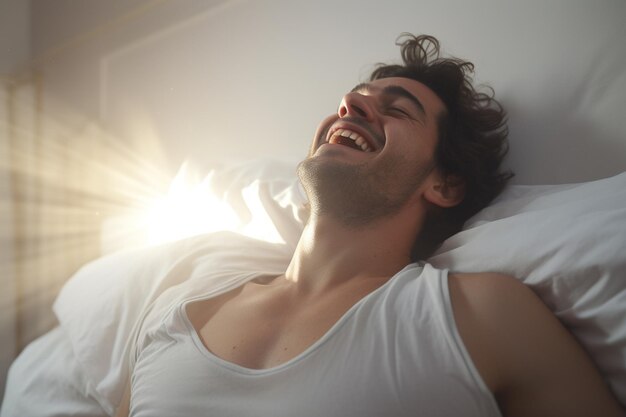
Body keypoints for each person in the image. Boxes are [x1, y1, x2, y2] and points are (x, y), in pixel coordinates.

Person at [115, 34, 625, 416]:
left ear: (444, 185)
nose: (349, 104)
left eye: (397, 109)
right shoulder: (178, 312)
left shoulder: (482, 313)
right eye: (354, 98)